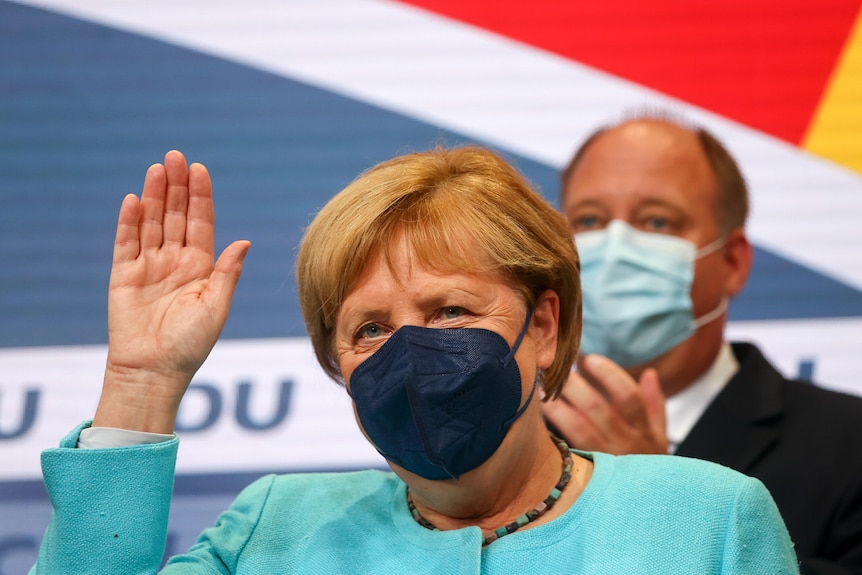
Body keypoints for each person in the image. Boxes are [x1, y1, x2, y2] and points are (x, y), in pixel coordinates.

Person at [31, 147, 798, 574]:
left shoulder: (710, 517)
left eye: (450, 311)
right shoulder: (273, 529)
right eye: (369, 329)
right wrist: (143, 379)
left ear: (544, 326)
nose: (410, 348)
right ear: (338, 364)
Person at [543, 116, 862, 574]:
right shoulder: (510, 440)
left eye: (656, 221)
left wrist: (670, 503)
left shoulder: (848, 444)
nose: (615, 248)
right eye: (589, 220)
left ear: (732, 261)